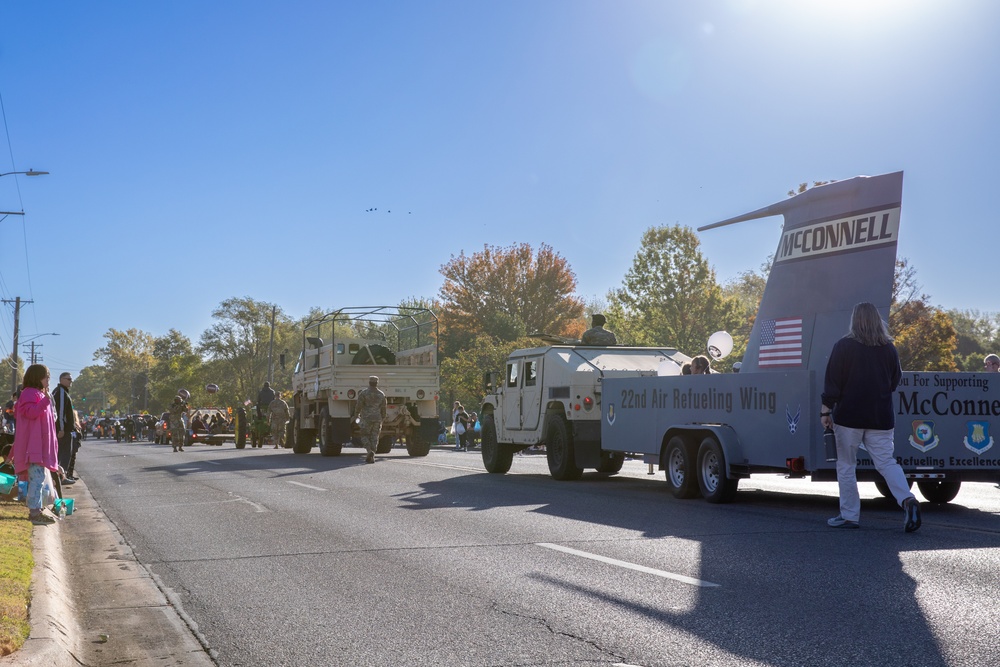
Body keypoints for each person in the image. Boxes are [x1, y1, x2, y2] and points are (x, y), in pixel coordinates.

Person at [821, 301, 921, 532]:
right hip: (881, 416)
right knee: (886, 462)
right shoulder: (889, 349)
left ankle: (849, 516)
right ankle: (907, 499)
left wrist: (825, 410)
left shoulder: (843, 346)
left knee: (846, 465)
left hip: (849, 416)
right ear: (878, 320)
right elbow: (895, 381)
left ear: (855, 320)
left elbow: (833, 382)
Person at [10, 364, 60, 525]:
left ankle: (36, 510)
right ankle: (34, 512)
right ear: (37, 377)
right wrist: (46, 400)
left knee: (37, 479)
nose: (48, 380)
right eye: (46, 376)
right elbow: (31, 412)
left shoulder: (38, 393)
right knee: (37, 479)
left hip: (38, 446)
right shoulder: (30, 393)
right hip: (33, 447)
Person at [52, 372, 79, 484]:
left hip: (63, 429)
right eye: (68, 379)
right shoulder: (61, 393)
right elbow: (60, 412)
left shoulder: (59, 391)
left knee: (60, 453)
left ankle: (59, 477)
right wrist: (61, 429)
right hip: (63, 430)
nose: (70, 381)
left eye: (71, 379)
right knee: (64, 453)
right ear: (61, 379)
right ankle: (61, 477)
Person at [354, 375, 386, 463]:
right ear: (377, 383)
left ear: (369, 382)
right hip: (377, 418)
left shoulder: (364, 393)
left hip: (366, 418)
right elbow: (383, 408)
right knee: (375, 436)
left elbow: (359, 405)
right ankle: (373, 455)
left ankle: (369, 451)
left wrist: (356, 415)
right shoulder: (381, 394)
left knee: (364, 435)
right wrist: (382, 417)